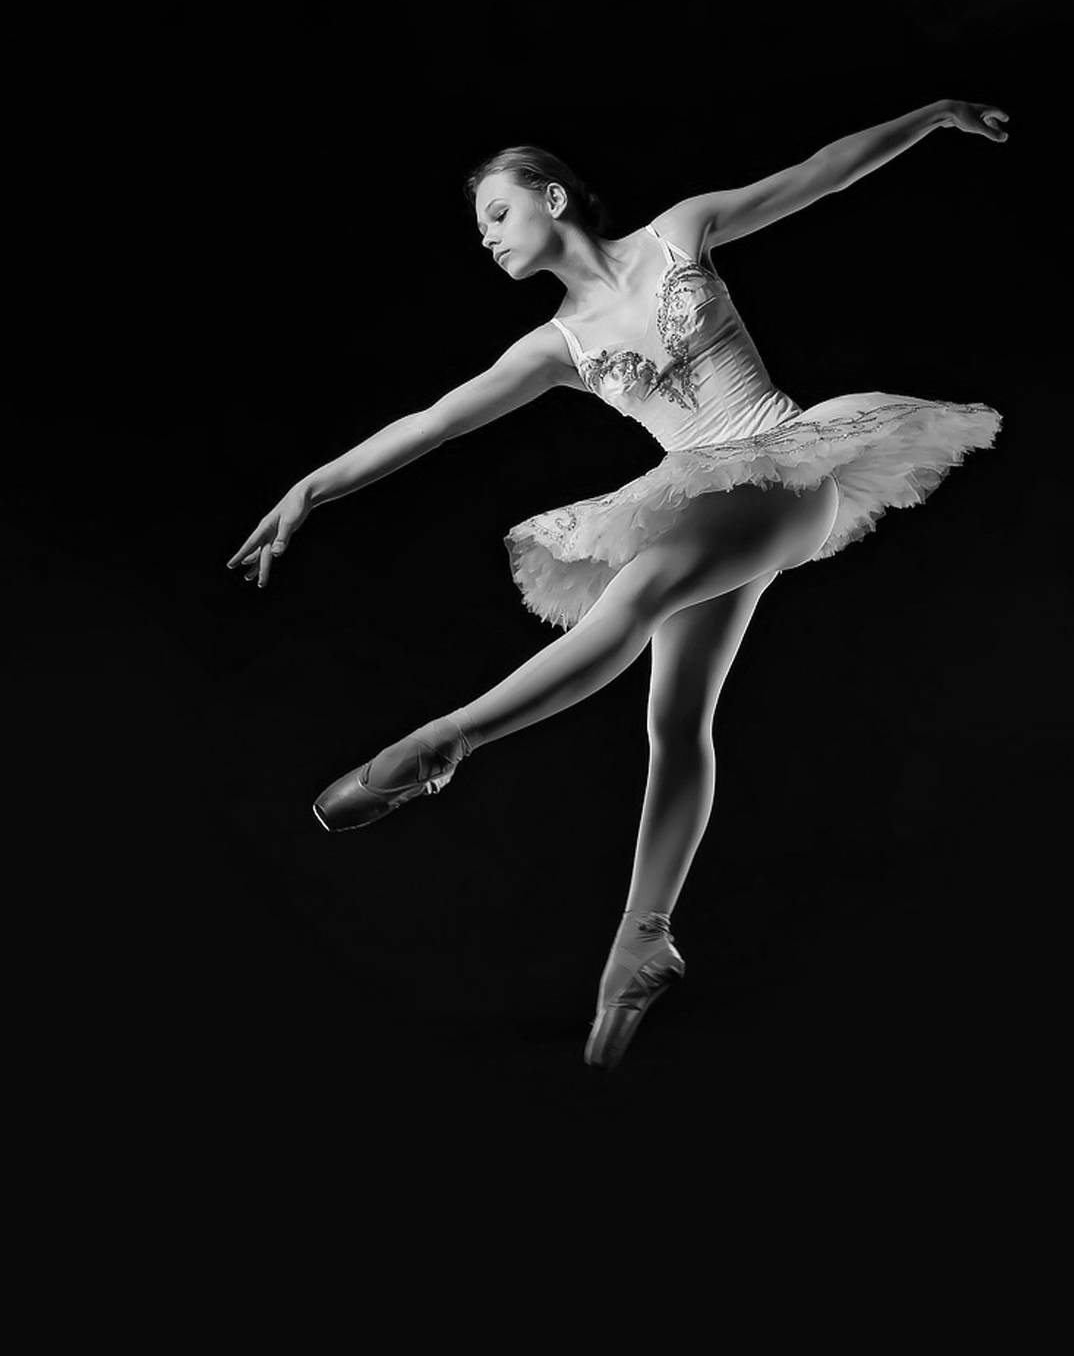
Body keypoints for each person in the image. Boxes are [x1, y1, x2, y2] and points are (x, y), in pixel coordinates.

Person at [227, 97, 1008, 1071]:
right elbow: (433, 422)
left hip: (787, 464)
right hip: (710, 505)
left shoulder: (679, 232)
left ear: (553, 198)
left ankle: (445, 739)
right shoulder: (555, 347)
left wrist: (932, 115)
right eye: (480, 228)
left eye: (498, 213)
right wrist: (311, 487)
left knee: (632, 599)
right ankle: (644, 938)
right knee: (674, 720)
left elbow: (819, 173)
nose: (487, 237)